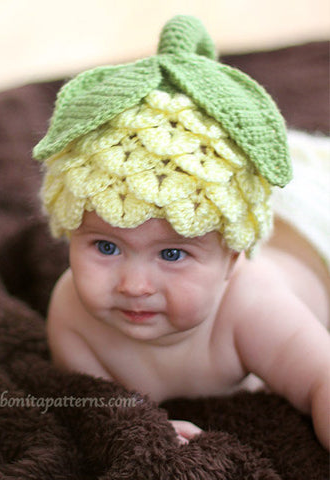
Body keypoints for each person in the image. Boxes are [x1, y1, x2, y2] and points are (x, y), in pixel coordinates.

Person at [33, 16, 330, 450]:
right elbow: (95, 404)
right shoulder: (72, 316)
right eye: (106, 246)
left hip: (310, 233)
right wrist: (138, 426)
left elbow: (322, 378)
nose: (135, 286)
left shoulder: (255, 308)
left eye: (172, 255)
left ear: (233, 260)